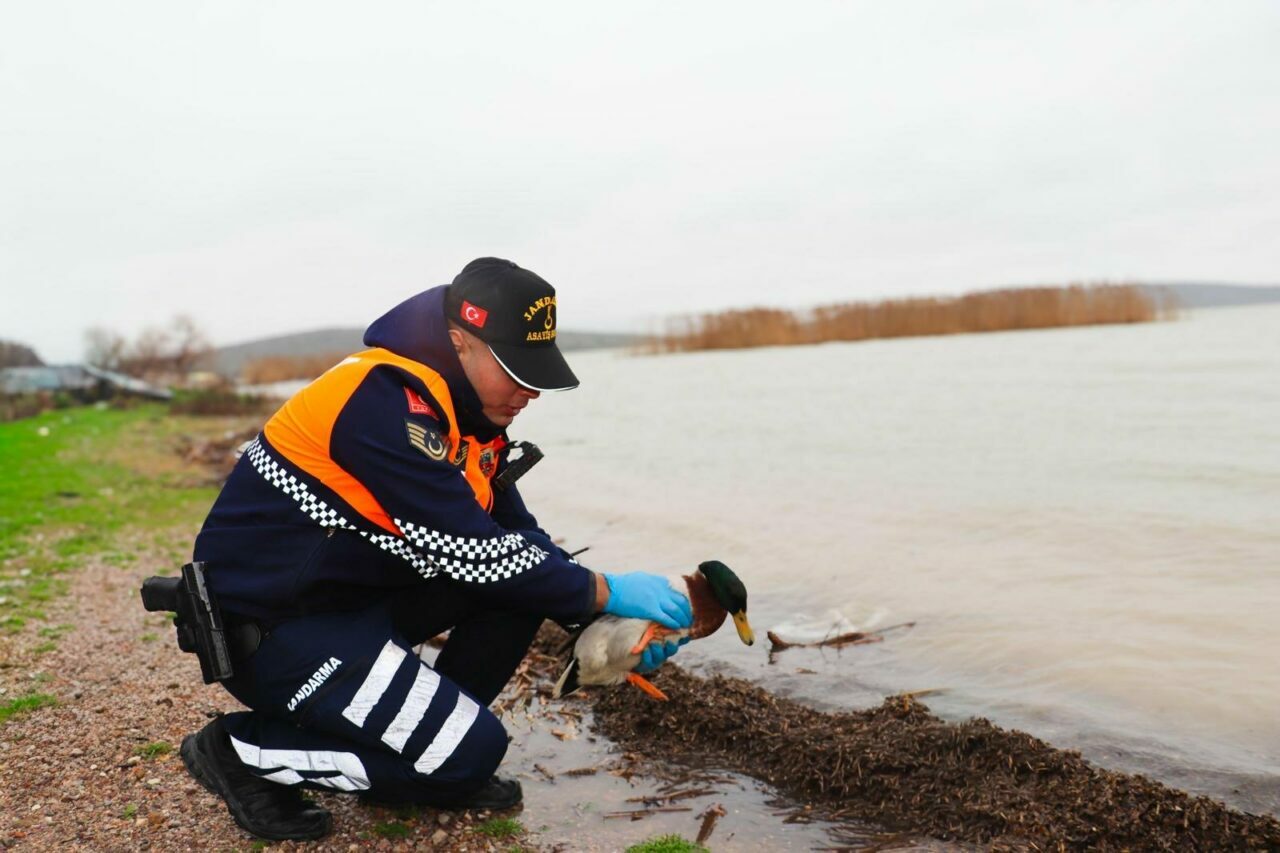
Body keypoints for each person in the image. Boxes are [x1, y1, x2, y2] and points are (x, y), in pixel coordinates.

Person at [178, 258, 693, 840]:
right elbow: (469, 550)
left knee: (521, 585)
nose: (530, 392)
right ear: (459, 341)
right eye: (517, 371)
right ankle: (239, 751)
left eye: (537, 374)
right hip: (275, 631)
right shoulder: (380, 400)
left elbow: (520, 543)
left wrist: (606, 621)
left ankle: (426, 753)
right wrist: (606, 588)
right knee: (472, 755)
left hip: (344, 606)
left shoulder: (466, 419)